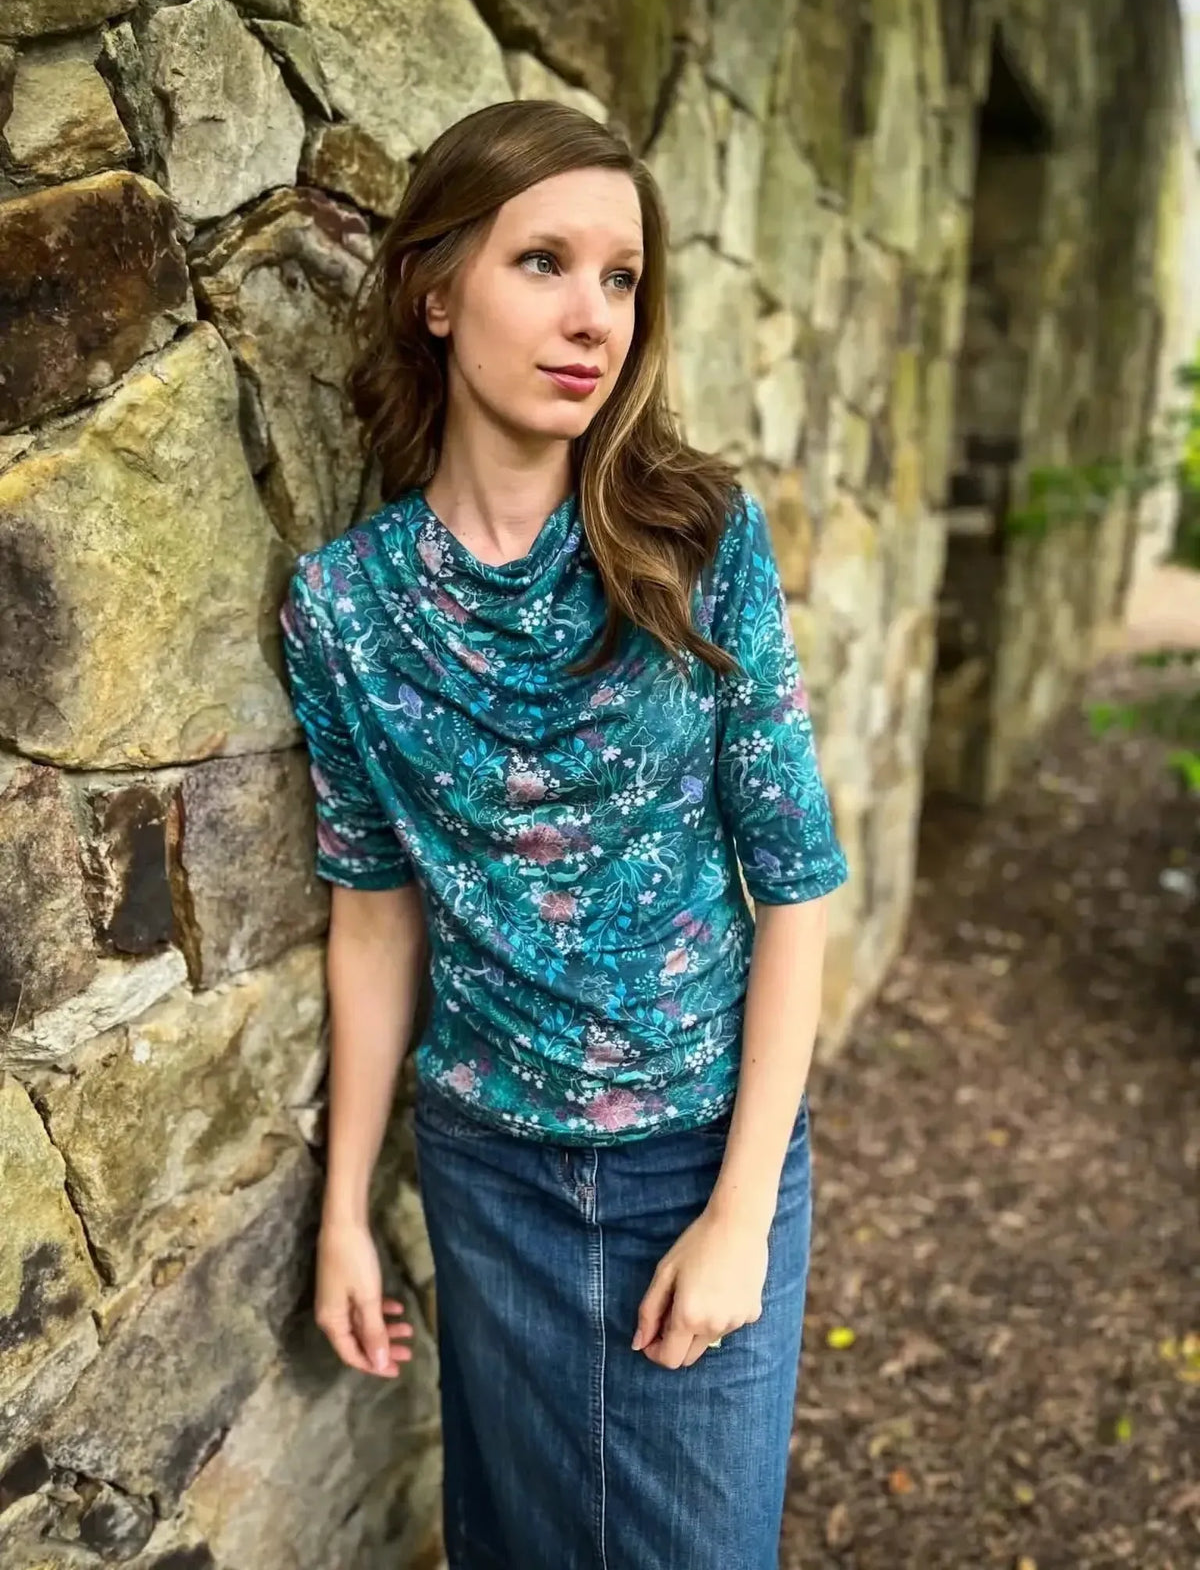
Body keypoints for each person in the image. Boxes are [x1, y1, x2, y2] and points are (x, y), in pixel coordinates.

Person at [279, 98, 849, 1570]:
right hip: (487, 1175)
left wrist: (739, 1214)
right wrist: (346, 1213)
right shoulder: (343, 611)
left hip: (698, 1160)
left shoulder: (697, 542)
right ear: (436, 288)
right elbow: (374, 914)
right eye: (545, 261)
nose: (593, 315)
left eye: (622, 277)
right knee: (521, 1543)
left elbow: (794, 890)